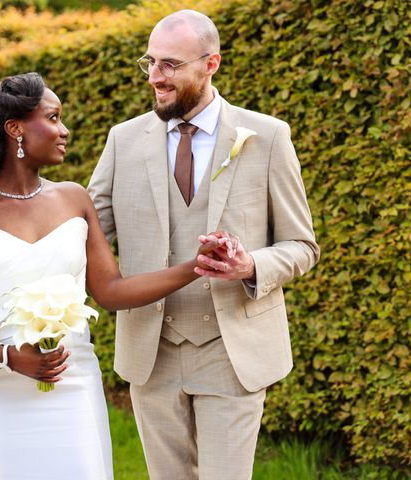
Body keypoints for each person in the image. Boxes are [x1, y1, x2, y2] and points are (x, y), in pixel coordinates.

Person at [0, 72, 221, 480]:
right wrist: (5, 356)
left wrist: (194, 267)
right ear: (15, 129)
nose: (65, 130)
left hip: (72, 379)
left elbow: (110, 290)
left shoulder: (74, 198)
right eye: (54, 117)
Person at [87, 9, 320, 480]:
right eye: (149, 62)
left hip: (232, 352)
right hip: (151, 352)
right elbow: (84, 233)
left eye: (170, 64)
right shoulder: (123, 140)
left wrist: (250, 265)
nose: (155, 76)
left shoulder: (268, 136)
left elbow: (302, 245)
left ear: (211, 64)